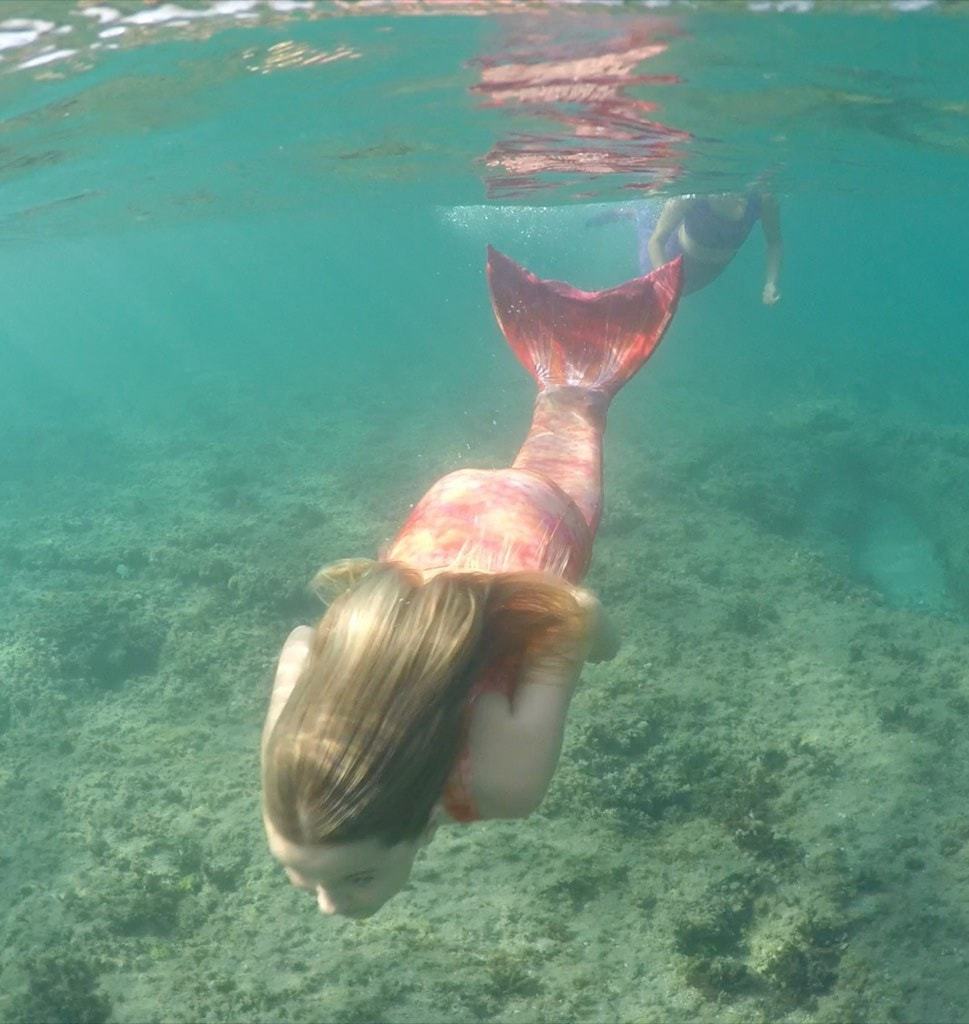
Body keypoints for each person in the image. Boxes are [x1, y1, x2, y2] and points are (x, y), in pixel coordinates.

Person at [260, 247, 684, 919]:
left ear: (412, 828)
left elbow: (572, 613)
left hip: (536, 522)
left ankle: (576, 372)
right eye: (300, 875)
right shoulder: (290, 760)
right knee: (539, 445)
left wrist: (610, 647)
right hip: (445, 516)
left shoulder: (503, 783)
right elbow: (301, 641)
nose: (327, 907)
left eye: (358, 879)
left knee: (579, 404)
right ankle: (561, 367)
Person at [646, 192, 782, 303]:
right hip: (672, 256)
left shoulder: (763, 199)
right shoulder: (691, 195)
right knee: (653, 290)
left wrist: (770, 283)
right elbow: (656, 242)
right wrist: (666, 284)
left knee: (683, 293)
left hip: (711, 272)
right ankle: (638, 216)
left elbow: (774, 241)